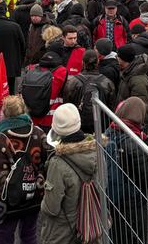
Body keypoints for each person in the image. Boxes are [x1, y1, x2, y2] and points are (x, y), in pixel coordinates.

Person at [0, 95, 49, 244]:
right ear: (24, 111)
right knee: (29, 236)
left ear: (5, 114)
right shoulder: (38, 133)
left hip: (6, 203)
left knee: (3, 239)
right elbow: (46, 164)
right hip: (33, 195)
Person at [39, 104, 100, 244]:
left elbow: (52, 207)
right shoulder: (97, 151)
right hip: (91, 222)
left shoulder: (57, 164)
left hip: (63, 232)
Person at [104, 97, 148, 244]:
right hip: (132, 202)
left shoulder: (109, 131)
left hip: (112, 198)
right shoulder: (134, 141)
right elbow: (147, 178)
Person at [0, 2, 27, 92]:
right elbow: (23, 45)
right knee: (10, 89)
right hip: (11, 65)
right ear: (5, 12)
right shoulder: (15, 26)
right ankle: (10, 105)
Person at [115, 44, 148, 112]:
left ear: (123, 59)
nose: (116, 57)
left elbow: (139, 108)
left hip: (130, 120)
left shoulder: (138, 81)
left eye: (118, 56)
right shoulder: (127, 72)